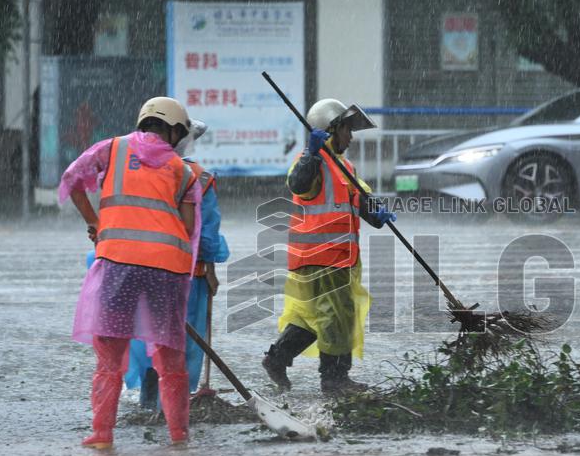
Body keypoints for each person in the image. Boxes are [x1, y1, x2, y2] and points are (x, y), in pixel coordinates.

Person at [59, 96, 202, 448]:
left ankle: (103, 435)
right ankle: (179, 435)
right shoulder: (184, 171)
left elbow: (72, 179)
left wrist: (95, 222)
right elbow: (188, 228)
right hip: (166, 269)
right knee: (171, 359)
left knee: (110, 356)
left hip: (119, 262)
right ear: (172, 129)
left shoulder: (111, 149)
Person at [262, 98, 396, 396]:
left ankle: (277, 358)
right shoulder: (312, 161)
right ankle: (335, 379)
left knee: (313, 317)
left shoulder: (343, 166)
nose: (350, 137)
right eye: (347, 129)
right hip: (326, 256)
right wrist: (311, 153)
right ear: (331, 129)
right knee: (337, 316)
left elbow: (360, 200)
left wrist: (377, 212)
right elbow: (298, 184)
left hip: (320, 257)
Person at [124, 120, 230, 407]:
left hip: (138, 270)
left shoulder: (135, 170)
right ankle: (170, 409)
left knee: (147, 339)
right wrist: (211, 269)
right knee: (180, 346)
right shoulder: (199, 176)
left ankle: (150, 403)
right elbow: (207, 232)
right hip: (185, 274)